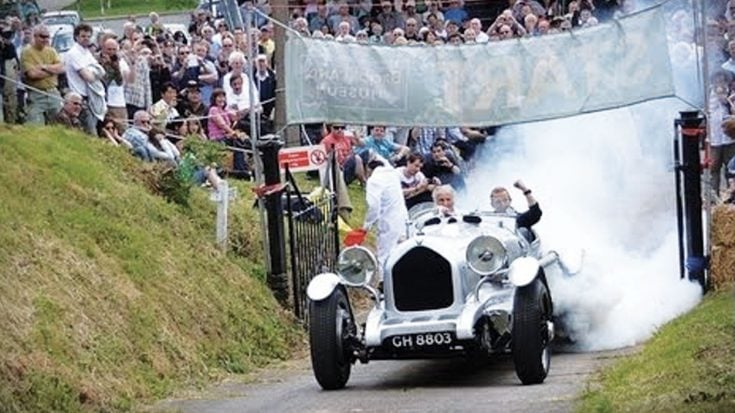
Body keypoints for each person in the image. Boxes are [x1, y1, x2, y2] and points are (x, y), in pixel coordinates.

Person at [362, 159, 409, 276]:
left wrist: (366, 226)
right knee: (402, 252)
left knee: (385, 256)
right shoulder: (392, 175)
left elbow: (373, 205)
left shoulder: (374, 180)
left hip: (389, 222)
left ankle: (384, 285)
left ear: (368, 170)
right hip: (403, 219)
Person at [20, 25, 63, 125]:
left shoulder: (51, 51)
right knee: (35, 126)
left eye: (47, 36)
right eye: (42, 36)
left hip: (53, 91)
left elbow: (61, 68)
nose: (45, 39)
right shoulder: (27, 52)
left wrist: (44, 67)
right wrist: (53, 71)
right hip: (36, 93)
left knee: (58, 124)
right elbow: (33, 74)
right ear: (35, 36)